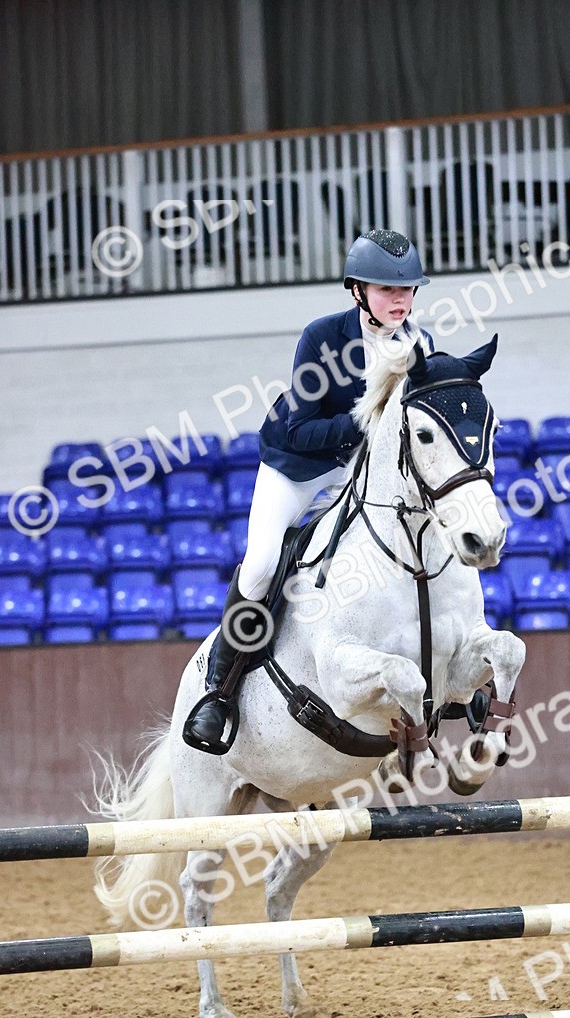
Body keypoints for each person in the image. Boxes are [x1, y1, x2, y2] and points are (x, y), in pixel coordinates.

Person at [183, 229, 434, 753]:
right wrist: (368, 423)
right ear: (357, 291)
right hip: (295, 469)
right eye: (388, 290)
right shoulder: (322, 338)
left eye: (408, 290)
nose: (401, 300)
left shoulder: (420, 346)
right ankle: (219, 694)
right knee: (259, 566)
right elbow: (299, 430)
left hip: (355, 475)